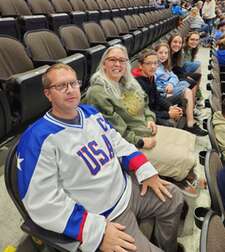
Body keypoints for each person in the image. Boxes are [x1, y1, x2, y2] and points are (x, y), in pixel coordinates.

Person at [17, 63, 185, 252]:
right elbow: (41, 201)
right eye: (61, 86)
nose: (70, 90)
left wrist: (145, 170)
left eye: (73, 83)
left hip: (128, 189)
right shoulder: (37, 139)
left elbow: (116, 142)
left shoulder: (90, 112)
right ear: (48, 94)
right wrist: (94, 231)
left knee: (174, 198)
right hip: (105, 216)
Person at [85, 45, 201, 194]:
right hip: (132, 144)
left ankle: (181, 176)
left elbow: (145, 104)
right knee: (183, 158)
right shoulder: (98, 92)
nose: (117, 64)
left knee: (187, 138)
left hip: (146, 129)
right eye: (112, 60)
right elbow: (113, 131)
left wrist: (150, 118)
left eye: (122, 60)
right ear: (103, 64)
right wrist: (140, 141)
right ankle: (177, 181)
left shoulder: (127, 82)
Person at [132, 50, 184, 128]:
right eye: (148, 63)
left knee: (180, 99)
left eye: (155, 63)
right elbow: (144, 112)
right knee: (169, 124)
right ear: (140, 65)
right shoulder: (137, 84)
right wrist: (168, 114)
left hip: (155, 107)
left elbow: (158, 97)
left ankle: (183, 125)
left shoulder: (150, 76)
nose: (153, 66)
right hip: (146, 115)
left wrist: (170, 107)